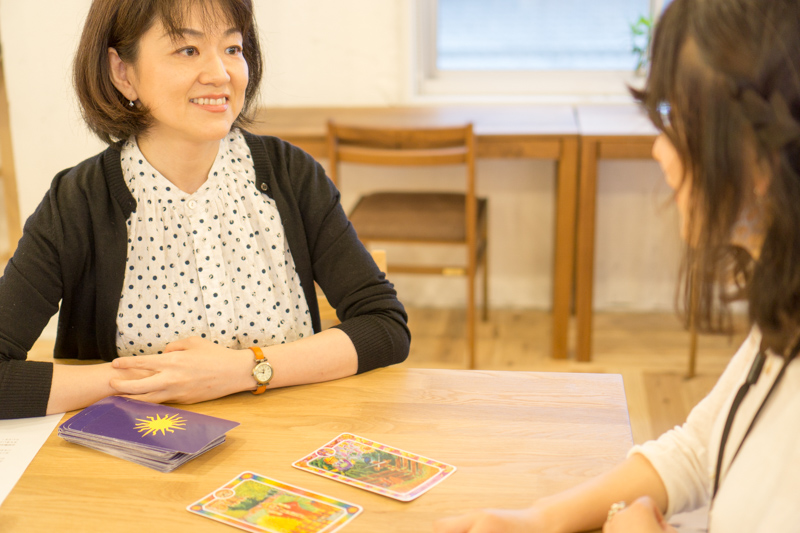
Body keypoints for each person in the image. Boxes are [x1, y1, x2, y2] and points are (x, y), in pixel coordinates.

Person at [434, 0, 800, 531]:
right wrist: (534, 520)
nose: (659, 150)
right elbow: (701, 447)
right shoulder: (783, 317)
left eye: (675, 120)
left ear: (760, 158)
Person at [0, 0, 409, 420]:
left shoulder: (291, 174)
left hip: (290, 440)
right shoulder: (77, 201)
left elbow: (384, 325)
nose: (220, 74)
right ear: (123, 72)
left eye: (232, 48)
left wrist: (242, 370)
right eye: (188, 50)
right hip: (142, 451)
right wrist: (156, 380)